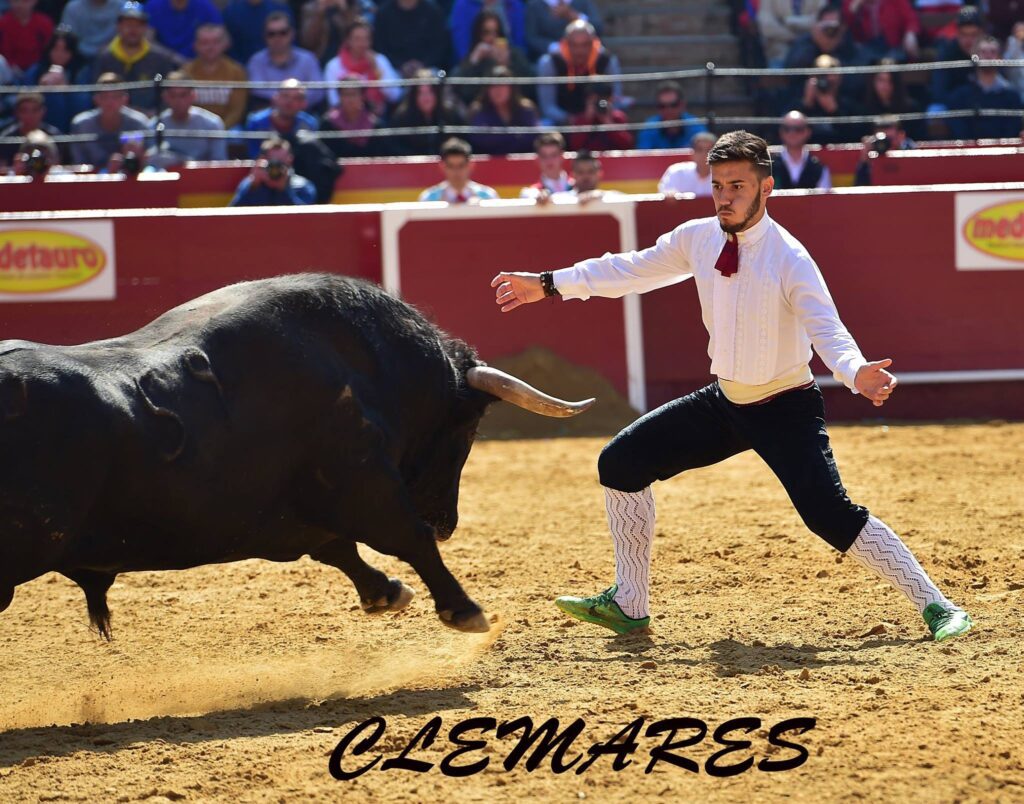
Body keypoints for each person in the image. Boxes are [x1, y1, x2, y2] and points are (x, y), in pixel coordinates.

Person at [489, 129, 974, 644]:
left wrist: (855, 373)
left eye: (737, 186)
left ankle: (937, 605)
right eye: (718, 185)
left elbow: (826, 329)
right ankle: (630, 602)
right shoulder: (697, 237)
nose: (724, 196)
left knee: (829, 514)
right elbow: (628, 271)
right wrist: (548, 284)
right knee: (621, 462)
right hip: (726, 401)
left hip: (786, 406)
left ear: (767, 188)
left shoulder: (790, 257)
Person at [93, 1, 179, 115]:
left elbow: (169, 94)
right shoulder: (104, 56)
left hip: (151, 120)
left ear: (145, 28)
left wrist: (155, 113)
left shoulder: (160, 58)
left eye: (138, 25)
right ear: (118, 26)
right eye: (128, 25)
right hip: (113, 117)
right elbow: (95, 94)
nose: (133, 30)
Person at [536, 19, 622, 125]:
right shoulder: (549, 63)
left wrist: (601, 111)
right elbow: (548, 107)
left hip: (599, 119)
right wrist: (574, 120)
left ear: (594, 42)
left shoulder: (607, 61)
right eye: (574, 45)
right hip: (563, 121)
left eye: (585, 44)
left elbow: (616, 99)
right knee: (546, 125)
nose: (579, 51)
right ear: (566, 43)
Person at [450, 8, 535, 106]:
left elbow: (530, 89)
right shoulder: (473, 58)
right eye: (487, 32)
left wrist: (507, 64)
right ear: (478, 34)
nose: (492, 37)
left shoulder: (514, 55)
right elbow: (464, 93)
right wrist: (473, 62)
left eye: (496, 32)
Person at [947, 36, 1023, 141]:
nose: (988, 56)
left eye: (993, 52)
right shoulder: (959, 97)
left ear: (1000, 57)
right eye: (983, 52)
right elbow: (960, 133)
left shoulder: (1012, 97)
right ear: (974, 57)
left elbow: (1012, 132)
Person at [69, 71, 152, 167]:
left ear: (125, 99)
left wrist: (138, 156)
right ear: (96, 99)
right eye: (104, 96)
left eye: (115, 96)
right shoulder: (81, 124)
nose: (110, 101)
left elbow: (149, 157)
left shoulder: (139, 122)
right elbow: (79, 163)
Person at [247, 12, 325, 110]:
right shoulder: (256, 61)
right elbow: (257, 91)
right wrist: (290, 100)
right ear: (265, 36)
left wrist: (293, 102)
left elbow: (318, 91)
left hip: (304, 112)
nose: (277, 38)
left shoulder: (308, 59)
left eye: (283, 32)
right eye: (271, 34)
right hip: (269, 114)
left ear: (292, 33)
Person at [323, 17, 402, 113]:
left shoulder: (380, 60)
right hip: (345, 118)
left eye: (366, 39)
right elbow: (334, 102)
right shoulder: (334, 66)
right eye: (357, 39)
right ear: (348, 40)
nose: (362, 44)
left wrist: (376, 70)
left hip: (377, 117)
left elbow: (395, 95)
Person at [150, 71, 227, 166]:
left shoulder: (212, 124)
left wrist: (182, 162)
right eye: (173, 95)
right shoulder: (155, 125)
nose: (178, 101)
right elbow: (150, 161)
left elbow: (219, 163)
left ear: (193, 95)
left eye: (183, 95)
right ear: (165, 97)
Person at [182, 23, 249, 129]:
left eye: (216, 42)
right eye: (205, 43)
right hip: (193, 127)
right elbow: (183, 107)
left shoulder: (237, 72)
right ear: (196, 45)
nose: (210, 47)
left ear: (225, 44)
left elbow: (236, 111)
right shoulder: (186, 72)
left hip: (228, 128)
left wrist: (220, 130)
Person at [390, 69, 465, 155]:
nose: (426, 98)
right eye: (421, 93)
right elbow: (396, 150)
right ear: (414, 96)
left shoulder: (451, 115)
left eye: (430, 92)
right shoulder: (401, 119)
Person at [466, 65, 539, 155]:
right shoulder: (477, 111)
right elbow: (480, 140)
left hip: (523, 164)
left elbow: (533, 138)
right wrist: (515, 135)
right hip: (488, 165)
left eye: (502, 85)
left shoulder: (526, 109)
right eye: (493, 86)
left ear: (511, 88)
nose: (498, 90)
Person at [229, 135, 317, 205]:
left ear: (290, 160)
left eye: (280, 164)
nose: (276, 169)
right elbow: (232, 217)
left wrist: (283, 191)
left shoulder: (302, 186)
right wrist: (253, 187)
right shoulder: (251, 183)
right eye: (272, 164)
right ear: (263, 160)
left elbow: (305, 220)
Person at [242, 76, 317, 157]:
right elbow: (254, 155)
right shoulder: (256, 122)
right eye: (285, 96)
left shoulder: (308, 124)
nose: (289, 102)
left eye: (296, 98)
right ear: (275, 98)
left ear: (304, 103)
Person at [928, 6, 982, 116]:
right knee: (935, 111)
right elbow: (940, 92)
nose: (969, 40)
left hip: (984, 105)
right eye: (964, 35)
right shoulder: (947, 53)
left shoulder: (987, 51)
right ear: (957, 33)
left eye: (973, 35)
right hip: (955, 106)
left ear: (980, 34)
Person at [798, 54, 862, 144]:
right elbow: (788, 134)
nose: (825, 80)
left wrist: (834, 111)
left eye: (829, 74)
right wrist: (806, 106)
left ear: (839, 77)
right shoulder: (798, 105)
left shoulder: (849, 106)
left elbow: (855, 138)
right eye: (820, 75)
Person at [372, 0, 448, 76]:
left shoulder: (433, 11)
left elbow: (440, 46)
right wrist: (401, 65)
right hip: (393, 69)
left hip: (429, 67)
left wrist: (424, 64)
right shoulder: (384, 13)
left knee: (435, 77)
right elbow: (380, 47)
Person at [418, 136, 498, 202]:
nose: (456, 172)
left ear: (470, 165)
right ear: (442, 167)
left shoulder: (488, 197)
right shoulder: (428, 199)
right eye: (451, 166)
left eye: (461, 166)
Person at [319, 75, 381, 157]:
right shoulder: (328, 124)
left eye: (353, 94)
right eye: (345, 95)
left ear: (362, 96)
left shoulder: (375, 125)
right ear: (339, 97)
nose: (349, 99)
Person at [635, 81, 707, 151]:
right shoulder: (649, 128)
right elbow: (643, 158)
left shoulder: (695, 126)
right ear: (657, 107)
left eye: (673, 105)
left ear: (682, 105)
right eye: (662, 106)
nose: (668, 110)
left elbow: (705, 156)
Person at [299, 0, 376, 65]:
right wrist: (320, 13)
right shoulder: (310, 8)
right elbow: (309, 42)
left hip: (349, 57)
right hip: (321, 58)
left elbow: (357, 32)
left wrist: (344, 10)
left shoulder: (352, 5)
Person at [840, 0, 920, 62]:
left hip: (892, 46)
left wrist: (910, 34)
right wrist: (856, 5)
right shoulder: (852, 2)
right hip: (865, 47)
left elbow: (911, 18)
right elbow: (845, 24)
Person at [449, 0, 527, 63]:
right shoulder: (463, 6)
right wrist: (473, 60)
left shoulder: (514, 4)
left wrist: (511, 58)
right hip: (476, 61)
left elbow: (520, 44)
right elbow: (462, 50)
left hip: (509, 61)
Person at [771, 110, 832, 189]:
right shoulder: (770, 167)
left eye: (798, 129)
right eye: (787, 129)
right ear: (781, 132)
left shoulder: (819, 168)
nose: (792, 133)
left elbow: (825, 199)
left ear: (808, 132)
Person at [757, 0, 828, 67]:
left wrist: (788, 21)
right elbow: (766, 26)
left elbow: (823, 20)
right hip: (779, 53)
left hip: (812, 52)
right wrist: (795, 37)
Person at [524, 0, 602, 60]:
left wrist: (575, 16)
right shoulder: (535, 5)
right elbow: (531, 38)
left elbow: (598, 28)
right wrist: (556, 48)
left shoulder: (583, 2)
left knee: (603, 55)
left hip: (586, 56)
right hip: (550, 58)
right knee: (545, 62)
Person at [146, 0, 223, 59]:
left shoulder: (204, 5)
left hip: (198, 62)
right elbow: (146, 41)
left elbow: (224, 38)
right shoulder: (154, 5)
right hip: (163, 61)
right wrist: (173, 57)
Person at [0, 92, 63, 164]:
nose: (29, 115)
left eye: (35, 110)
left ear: (43, 111)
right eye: (24, 110)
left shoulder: (55, 136)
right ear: (17, 112)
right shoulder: (7, 139)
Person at [223, 0, 292, 64]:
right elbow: (228, 48)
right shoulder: (231, 12)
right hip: (241, 70)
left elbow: (292, 43)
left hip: (279, 67)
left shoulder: (280, 9)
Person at [853, 115, 915, 185]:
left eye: (889, 139)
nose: (884, 144)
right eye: (881, 140)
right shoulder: (872, 156)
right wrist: (864, 158)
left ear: (901, 136)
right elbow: (860, 186)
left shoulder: (910, 148)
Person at [566, 88, 633, 152]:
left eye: (603, 101)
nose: (599, 105)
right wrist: (587, 120)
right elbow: (574, 146)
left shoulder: (618, 117)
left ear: (611, 100)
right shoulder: (581, 119)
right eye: (595, 102)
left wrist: (608, 122)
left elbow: (627, 145)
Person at [0, 0, 54, 76]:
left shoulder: (45, 23)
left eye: (25, 1)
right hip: (9, 72)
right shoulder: (2, 24)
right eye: (15, 1)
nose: (19, 5)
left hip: (39, 71)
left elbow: (50, 53)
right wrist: (11, 66)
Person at [657, 130, 716, 197]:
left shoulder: (724, 177)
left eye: (709, 150)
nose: (704, 154)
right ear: (692, 153)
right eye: (699, 150)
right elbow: (663, 195)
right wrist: (668, 194)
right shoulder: (677, 172)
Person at [549, 148, 616, 203]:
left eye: (591, 171)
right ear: (573, 175)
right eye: (580, 172)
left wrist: (600, 195)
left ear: (599, 174)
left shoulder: (611, 198)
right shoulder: (561, 200)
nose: (586, 176)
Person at [519, 129, 570, 200]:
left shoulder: (577, 185)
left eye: (554, 155)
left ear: (562, 156)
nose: (549, 160)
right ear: (537, 159)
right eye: (544, 156)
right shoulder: (532, 193)